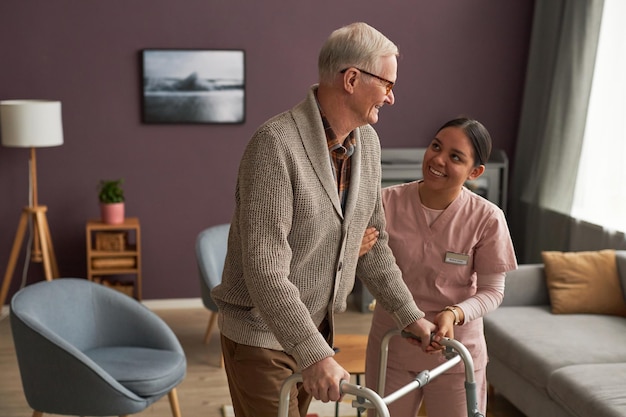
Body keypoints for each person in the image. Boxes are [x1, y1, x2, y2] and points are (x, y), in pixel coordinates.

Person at [210, 22, 437, 417]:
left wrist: (409, 315)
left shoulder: (367, 143)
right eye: (386, 84)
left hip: (311, 332)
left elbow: (373, 243)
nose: (392, 97)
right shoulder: (276, 145)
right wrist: (315, 355)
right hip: (262, 336)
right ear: (352, 79)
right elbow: (265, 271)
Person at [363, 117, 518, 417]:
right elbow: (368, 266)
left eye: (455, 157)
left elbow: (492, 292)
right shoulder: (386, 203)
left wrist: (454, 314)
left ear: (475, 172)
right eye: (436, 146)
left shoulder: (487, 218)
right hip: (392, 346)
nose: (438, 159)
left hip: (456, 355)